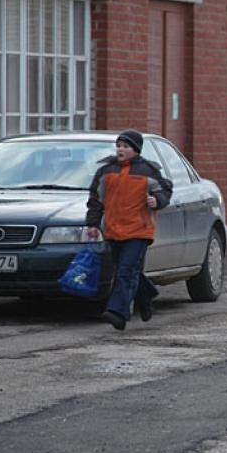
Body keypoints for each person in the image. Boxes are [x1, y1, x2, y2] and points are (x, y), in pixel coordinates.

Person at [86, 129, 174, 330]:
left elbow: (165, 190)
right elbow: (95, 199)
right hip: (113, 230)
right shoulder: (106, 171)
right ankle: (146, 294)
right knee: (128, 270)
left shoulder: (147, 170)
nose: (120, 149)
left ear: (136, 150)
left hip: (139, 231)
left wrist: (156, 200)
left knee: (126, 271)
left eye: (125, 146)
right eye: (118, 146)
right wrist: (92, 223)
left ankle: (118, 313)